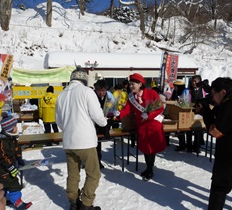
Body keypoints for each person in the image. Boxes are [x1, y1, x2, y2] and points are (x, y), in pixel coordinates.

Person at [55, 67, 107, 210]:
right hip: (85, 142)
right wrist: (104, 121)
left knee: (73, 174)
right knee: (94, 174)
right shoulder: (87, 91)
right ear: (84, 79)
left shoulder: (62, 95)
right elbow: (97, 116)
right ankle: (86, 204)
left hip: (68, 142)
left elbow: (58, 121)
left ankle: (73, 203)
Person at [200, 77, 232, 210]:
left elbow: (215, 132)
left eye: (213, 94)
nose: (212, 97)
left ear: (223, 92)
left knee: (219, 188)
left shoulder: (229, 106)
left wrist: (206, 113)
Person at [115, 73, 166, 181]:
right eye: (130, 84)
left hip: (153, 125)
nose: (131, 86)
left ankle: (150, 169)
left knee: (151, 149)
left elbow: (160, 108)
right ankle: (148, 168)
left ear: (140, 84)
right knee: (145, 149)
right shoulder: (131, 97)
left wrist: (149, 115)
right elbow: (127, 109)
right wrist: (118, 114)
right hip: (142, 126)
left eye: (133, 84)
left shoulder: (151, 93)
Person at [0, 114, 32, 210]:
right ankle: (18, 203)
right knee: (13, 185)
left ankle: (1, 199)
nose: (16, 128)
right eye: (15, 127)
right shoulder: (2, 142)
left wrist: (18, 157)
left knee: (4, 185)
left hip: (10, 164)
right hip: (4, 168)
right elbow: (2, 157)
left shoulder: (11, 137)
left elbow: (17, 148)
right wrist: (10, 167)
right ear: (9, 129)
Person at [94, 79, 115, 169]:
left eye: (103, 90)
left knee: (98, 143)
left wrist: (110, 115)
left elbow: (112, 109)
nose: (101, 93)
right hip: (92, 123)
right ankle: (92, 162)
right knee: (92, 144)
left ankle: (98, 161)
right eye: (99, 90)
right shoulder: (91, 96)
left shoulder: (109, 97)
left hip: (102, 123)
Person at [185, 75, 209, 153]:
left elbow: (206, 100)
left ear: (199, 82)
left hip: (201, 112)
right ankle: (189, 146)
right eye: (192, 81)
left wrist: (201, 107)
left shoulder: (203, 90)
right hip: (190, 111)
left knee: (198, 130)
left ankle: (196, 147)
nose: (193, 83)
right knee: (188, 129)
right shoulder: (188, 90)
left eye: (195, 81)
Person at [167, 80, 187, 151]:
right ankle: (180, 144)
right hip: (174, 112)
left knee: (181, 130)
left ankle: (182, 145)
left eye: (176, 86)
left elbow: (185, 102)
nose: (175, 88)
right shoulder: (175, 92)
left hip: (182, 113)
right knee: (177, 130)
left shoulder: (185, 92)